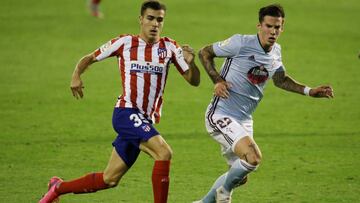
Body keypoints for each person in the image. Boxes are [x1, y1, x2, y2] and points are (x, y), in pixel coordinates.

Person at [39, 1, 200, 203]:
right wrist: (76, 75)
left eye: (160, 20)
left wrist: (192, 63)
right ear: (141, 19)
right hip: (126, 113)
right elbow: (89, 58)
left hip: (144, 121)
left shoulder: (170, 47)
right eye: (150, 18)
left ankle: (58, 187)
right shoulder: (124, 43)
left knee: (110, 179)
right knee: (164, 152)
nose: (155, 24)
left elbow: (193, 81)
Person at [195, 4, 333, 203]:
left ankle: (204, 202)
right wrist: (217, 79)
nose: (273, 31)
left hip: (244, 119)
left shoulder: (276, 51)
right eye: (268, 26)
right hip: (221, 114)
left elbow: (280, 79)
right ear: (259, 26)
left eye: (277, 27)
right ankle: (223, 194)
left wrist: (309, 91)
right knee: (253, 157)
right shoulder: (240, 43)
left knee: (241, 177)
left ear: (282, 28)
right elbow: (204, 52)